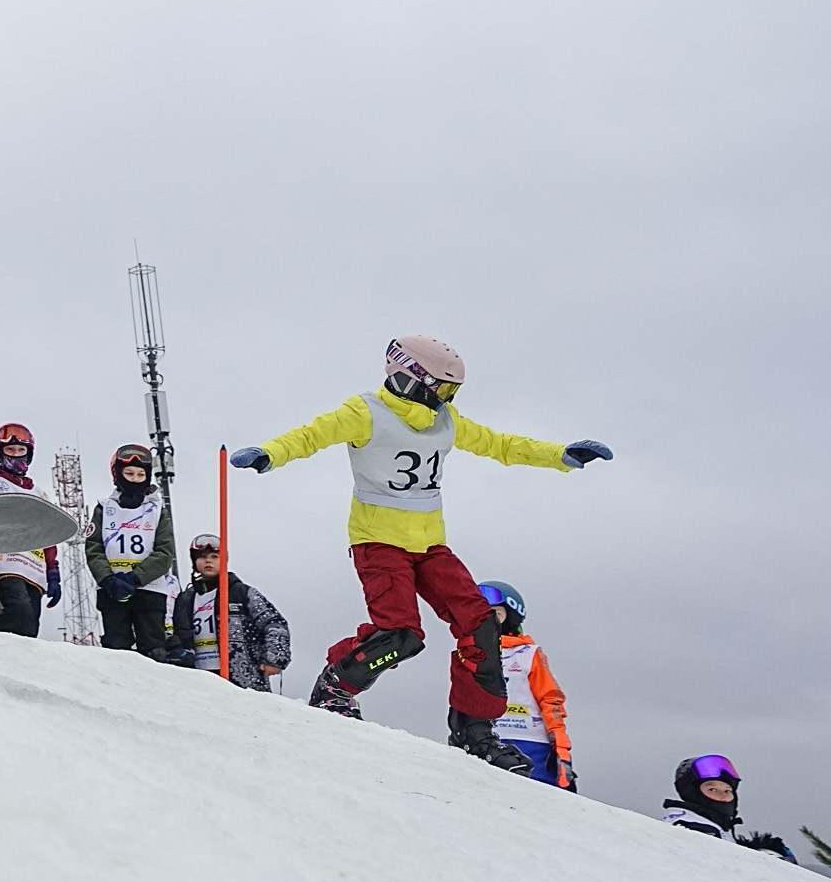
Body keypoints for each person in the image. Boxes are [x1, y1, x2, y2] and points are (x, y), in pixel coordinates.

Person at [230, 334, 613, 774]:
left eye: (453, 393)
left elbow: (501, 444)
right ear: (410, 378)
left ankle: (474, 729)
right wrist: (269, 454)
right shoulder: (366, 412)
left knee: (480, 625)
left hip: (430, 544)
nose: (446, 401)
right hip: (378, 542)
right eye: (442, 389)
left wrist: (561, 456)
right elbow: (310, 436)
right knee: (402, 634)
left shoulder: (445, 419)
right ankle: (337, 684)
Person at [478, 581, 575, 790]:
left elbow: (550, 698)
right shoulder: (471, 654)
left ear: (511, 616)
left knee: (537, 803)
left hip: (529, 741)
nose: (488, 619)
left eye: (495, 612)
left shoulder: (527, 653)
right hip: (487, 738)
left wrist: (560, 744)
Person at [86, 442, 180, 657]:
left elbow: (165, 552)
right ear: (117, 474)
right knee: (116, 649)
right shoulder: (104, 508)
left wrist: (135, 578)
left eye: (140, 474)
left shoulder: (157, 510)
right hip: (112, 589)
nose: (135, 479)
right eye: (129, 473)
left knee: (154, 650)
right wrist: (108, 579)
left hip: (149, 589)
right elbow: (94, 548)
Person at [0, 422, 63, 637]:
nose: (16, 455)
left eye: (21, 451)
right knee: (20, 613)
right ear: (0, 452)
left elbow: (48, 535)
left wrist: (53, 573)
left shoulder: (38, 493)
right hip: (5, 564)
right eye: (10, 450)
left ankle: (13, 664)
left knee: (30, 628)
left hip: (34, 567)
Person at [171, 533, 292, 692]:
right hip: (197, 674)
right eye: (202, 556)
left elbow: (274, 623)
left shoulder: (242, 593)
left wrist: (274, 659)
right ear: (194, 562)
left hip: (241, 677)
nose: (208, 560)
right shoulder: (185, 599)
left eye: (214, 556)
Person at [660, 755, 797, 859]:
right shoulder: (691, 826)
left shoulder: (715, 826)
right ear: (693, 794)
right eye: (713, 790)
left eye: (727, 791)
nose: (723, 797)